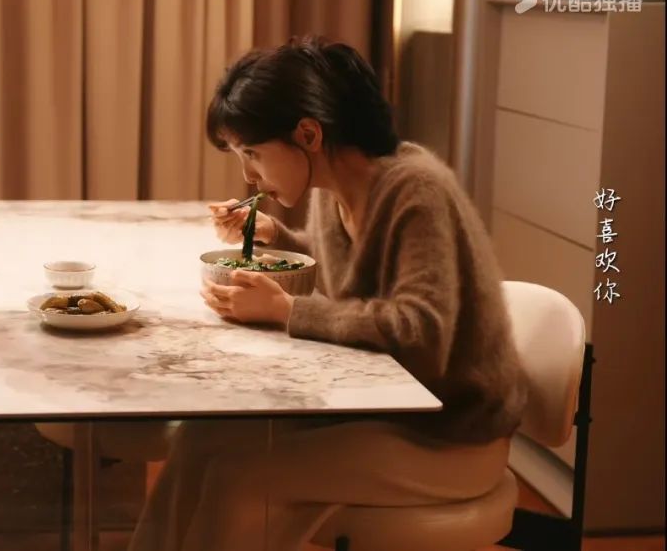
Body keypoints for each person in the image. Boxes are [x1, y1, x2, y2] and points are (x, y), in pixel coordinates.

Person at [128, 37, 527, 551]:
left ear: (309, 134)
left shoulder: (417, 191)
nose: (248, 175)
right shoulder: (334, 190)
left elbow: (421, 330)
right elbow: (354, 270)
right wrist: (275, 235)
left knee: (240, 479)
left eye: (252, 153)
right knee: (197, 438)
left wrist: (288, 310)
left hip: (448, 436)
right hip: (380, 408)